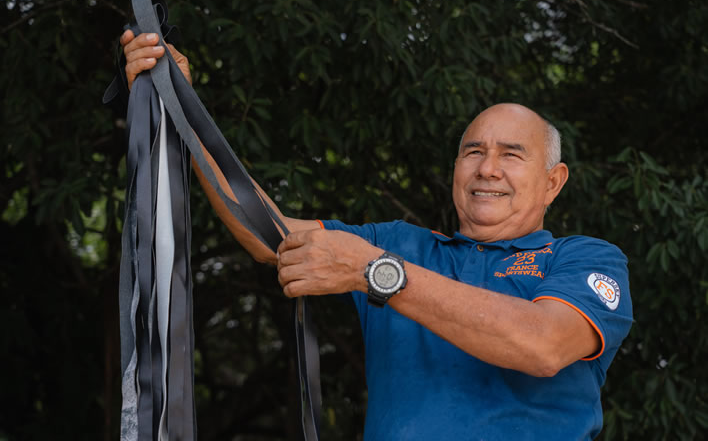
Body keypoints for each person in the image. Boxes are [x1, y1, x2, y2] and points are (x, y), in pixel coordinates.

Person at [121, 30, 633, 440]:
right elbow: (268, 234)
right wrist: (181, 110)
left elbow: (541, 345)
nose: (488, 169)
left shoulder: (587, 259)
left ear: (552, 181)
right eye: (473, 152)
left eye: (511, 155)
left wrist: (375, 273)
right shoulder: (398, 242)